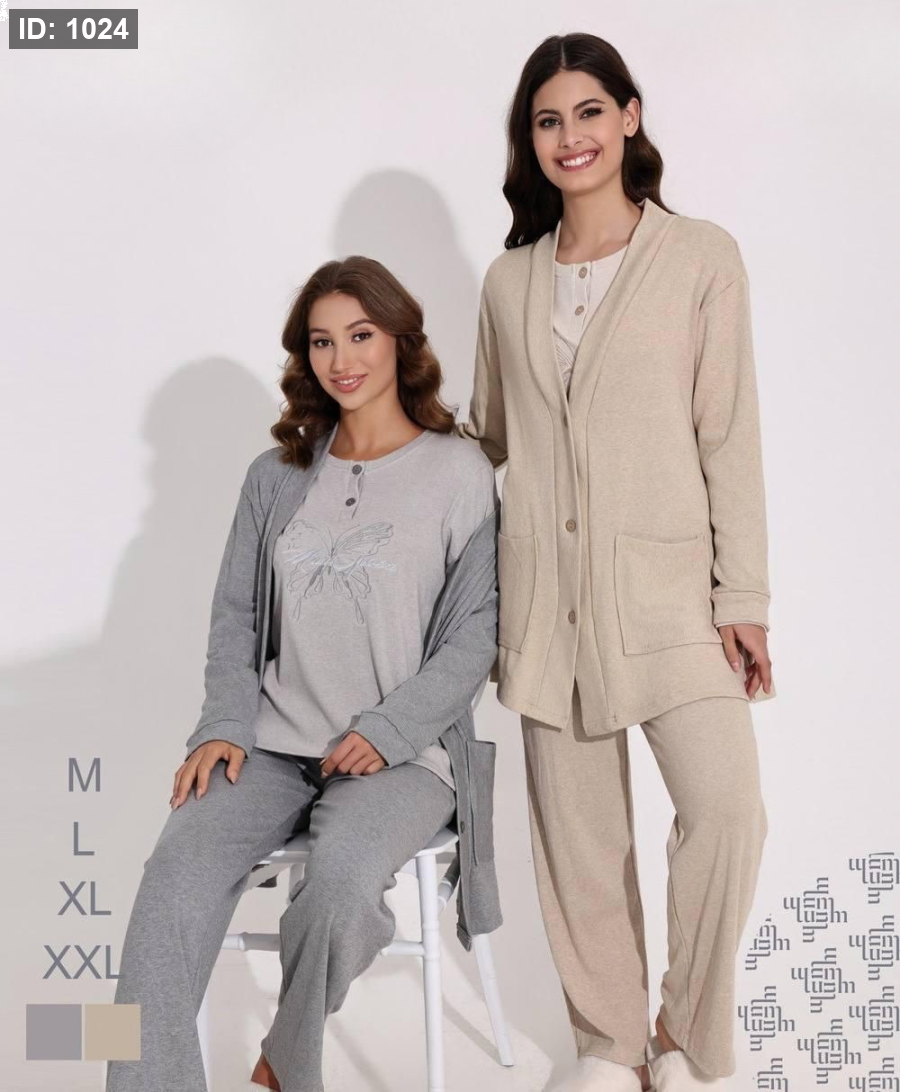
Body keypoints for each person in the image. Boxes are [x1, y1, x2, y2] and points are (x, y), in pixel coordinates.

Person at [458, 32, 776, 1092]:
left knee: (727, 811)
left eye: (589, 112)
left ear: (629, 117)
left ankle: (686, 1036)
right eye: (549, 120)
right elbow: (487, 439)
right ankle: (609, 1047)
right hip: (546, 606)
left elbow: (728, 434)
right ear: (530, 140)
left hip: (671, 597)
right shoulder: (508, 282)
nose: (571, 137)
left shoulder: (701, 258)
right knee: (581, 847)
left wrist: (743, 596)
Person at [107, 255, 501, 1092]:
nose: (341, 359)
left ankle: (284, 1060)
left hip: (404, 755)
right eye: (322, 342)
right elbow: (235, 619)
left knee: (341, 885)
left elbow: (475, 637)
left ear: (400, 340)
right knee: (170, 883)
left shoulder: (459, 473)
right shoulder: (276, 475)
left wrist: (389, 730)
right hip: (271, 745)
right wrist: (221, 725)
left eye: (360, 335)